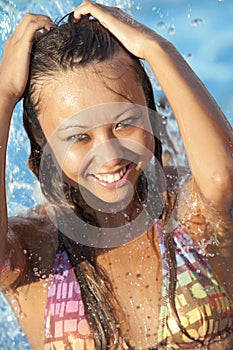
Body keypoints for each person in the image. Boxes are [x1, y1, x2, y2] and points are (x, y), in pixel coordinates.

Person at [0, 1, 232, 349]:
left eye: (125, 123)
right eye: (79, 136)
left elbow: (222, 177)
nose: (108, 156)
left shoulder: (188, 212)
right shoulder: (35, 250)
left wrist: (155, 48)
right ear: (39, 137)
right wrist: (3, 96)